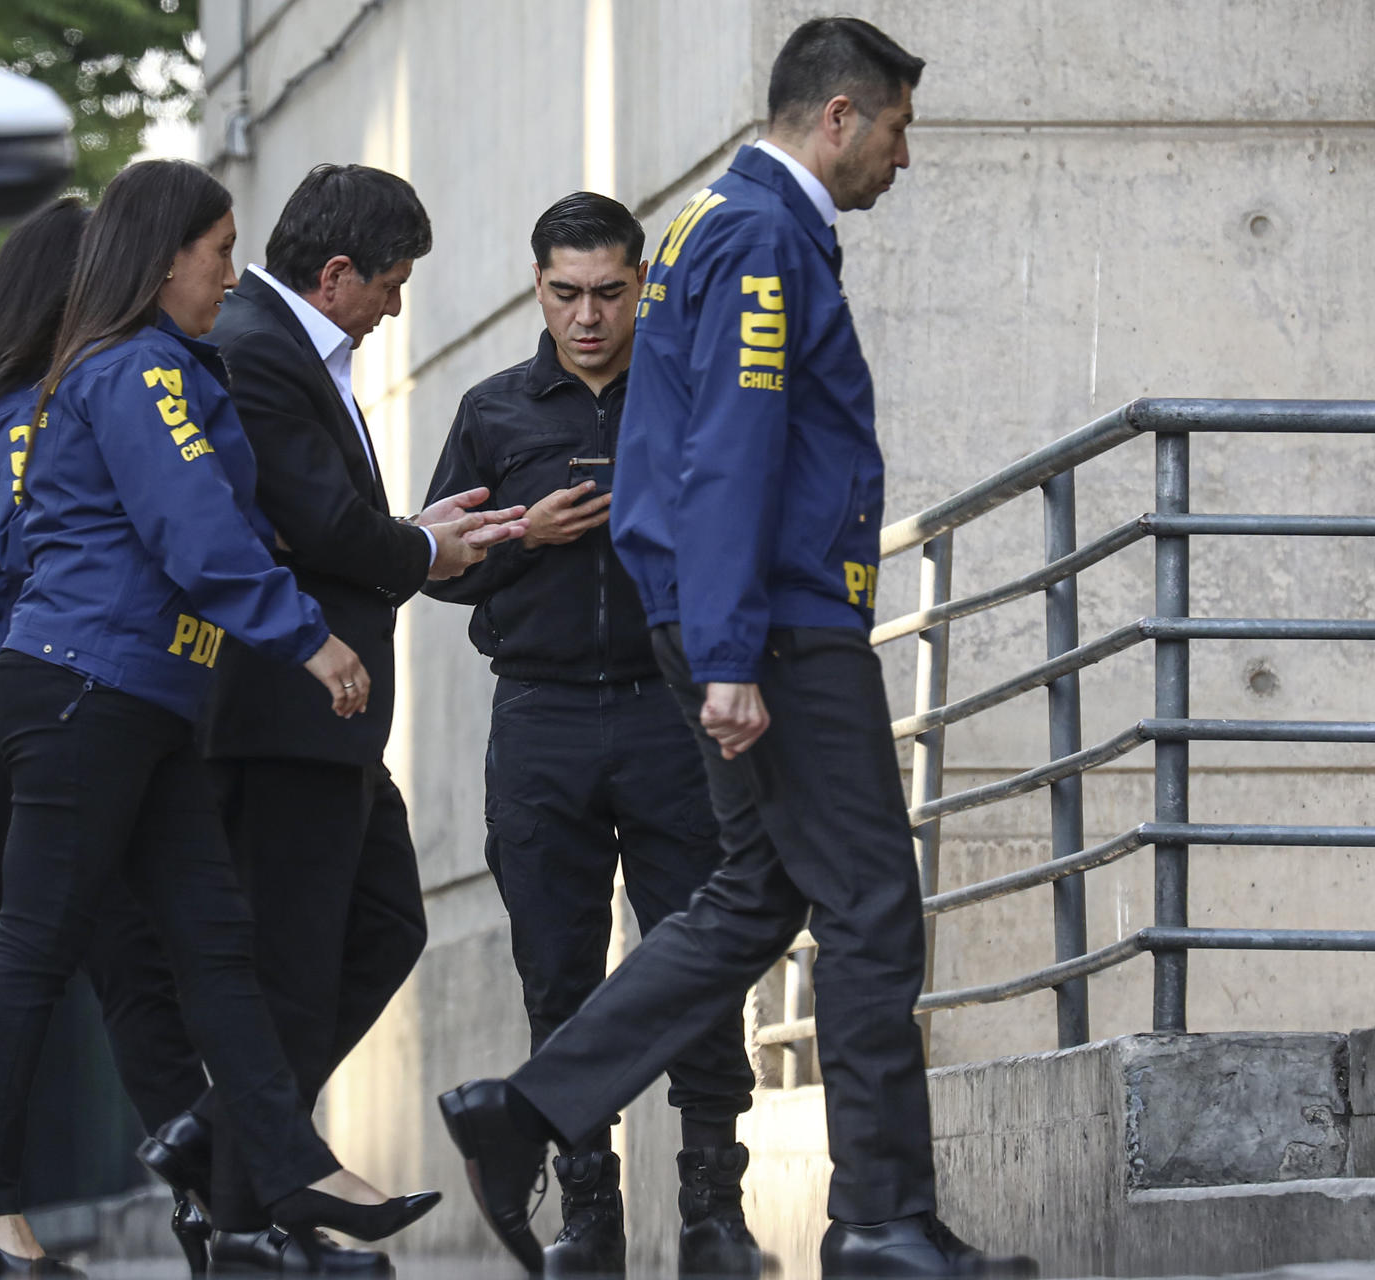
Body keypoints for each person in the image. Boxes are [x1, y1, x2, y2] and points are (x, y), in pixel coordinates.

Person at [436, 20, 1038, 1279]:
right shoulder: (761, 232)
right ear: (836, 116)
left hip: (740, 617)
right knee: (871, 905)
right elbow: (735, 448)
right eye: (896, 129)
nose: (903, 157)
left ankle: (528, 1107)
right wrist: (725, 651)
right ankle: (879, 1219)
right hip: (782, 623)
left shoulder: (715, 221)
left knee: (751, 896)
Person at [0, 159, 439, 1276]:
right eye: (218, 252)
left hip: (147, 695)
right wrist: (309, 635)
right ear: (163, 255)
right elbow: (201, 535)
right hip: (92, 688)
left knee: (216, 941)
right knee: (38, 945)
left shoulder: (155, 368)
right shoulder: (137, 372)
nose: (230, 276)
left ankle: (281, 1173)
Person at [177, 164, 527, 1276]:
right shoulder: (256, 348)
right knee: (290, 959)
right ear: (335, 275)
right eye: (391, 282)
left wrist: (406, 530)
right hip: (283, 706)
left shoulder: (284, 347)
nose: (395, 306)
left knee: (383, 924)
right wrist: (423, 546)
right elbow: (318, 523)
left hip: (321, 715)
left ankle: (221, 1140)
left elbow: (326, 525)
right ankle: (251, 1220)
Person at [420, 191, 760, 1278]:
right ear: (538, 289)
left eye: (610, 293)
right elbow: (435, 565)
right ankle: (588, 1216)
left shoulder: (689, 391)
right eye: (565, 294)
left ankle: (714, 1208)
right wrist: (531, 531)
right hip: (542, 716)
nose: (588, 317)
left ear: (638, 289)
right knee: (557, 972)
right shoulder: (494, 408)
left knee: (696, 963)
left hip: (672, 714)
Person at [0, 195, 215, 1277]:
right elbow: (35, 565)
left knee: (115, 961)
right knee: (80, 956)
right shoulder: (37, 413)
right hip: (44, 713)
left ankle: (212, 1199)